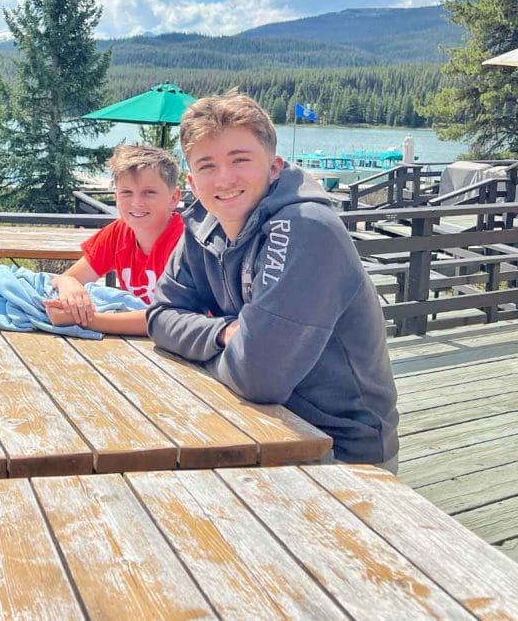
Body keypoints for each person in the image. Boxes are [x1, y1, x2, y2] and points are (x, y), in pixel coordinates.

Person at [147, 93, 400, 470]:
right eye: (207, 165)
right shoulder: (202, 223)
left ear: (275, 167)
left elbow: (258, 376)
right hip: (253, 424)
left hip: (339, 452)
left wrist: (207, 352)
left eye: (240, 160)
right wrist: (223, 334)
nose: (225, 178)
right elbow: (160, 316)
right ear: (192, 180)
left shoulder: (305, 228)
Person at [46, 144, 184, 336]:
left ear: (174, 197)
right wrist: (67, 285)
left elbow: (174, 319)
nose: (136, 203)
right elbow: (70, 277)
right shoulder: (118, 233)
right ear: (116, 197)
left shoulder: (186, 242)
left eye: (149, 192)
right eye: (127, 193)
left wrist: (89, 320)